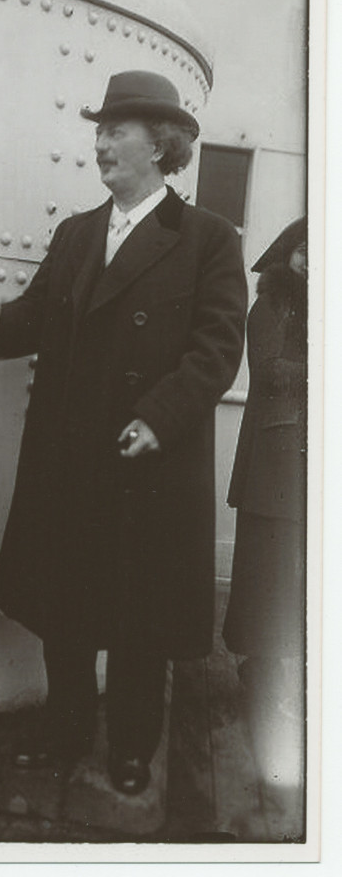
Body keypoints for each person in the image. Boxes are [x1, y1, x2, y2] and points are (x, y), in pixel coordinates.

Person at [0, 70, 248, 796]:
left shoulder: (208, 238)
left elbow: (218, 348)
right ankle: (65, 729)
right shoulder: (76, 233)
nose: (99, 142)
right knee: (63, 609)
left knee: (141, 617)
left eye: (115, 130)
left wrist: (157, 418)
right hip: (70, 457)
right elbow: (30, 317)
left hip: (147, 458)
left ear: (159, 143)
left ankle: (134, 744)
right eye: (98, 130)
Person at [223, 219, 306, 713]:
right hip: (273, 462)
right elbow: (271, 371)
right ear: (286, 255)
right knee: (266, 571)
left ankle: (278, 671)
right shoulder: (271, 304)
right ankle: (258, 669)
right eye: (304, 252)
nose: (313, 263)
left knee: (292, 575)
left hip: (302, 460)